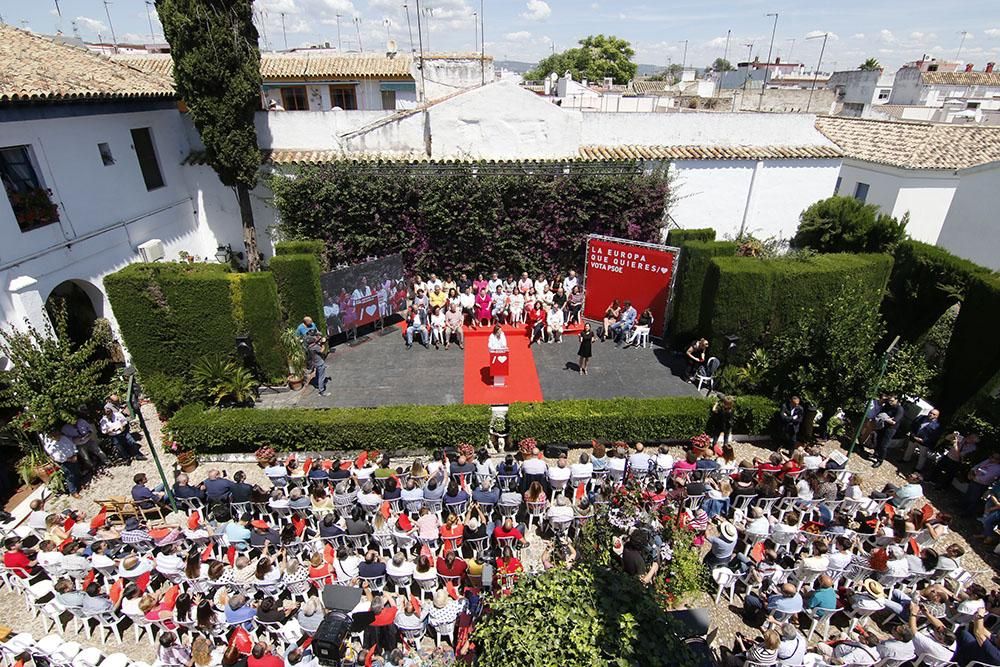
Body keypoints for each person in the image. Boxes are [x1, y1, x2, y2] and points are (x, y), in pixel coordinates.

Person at [41, 427, 83, 498]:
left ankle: (78, 485)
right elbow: (57, 457)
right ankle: (73, 492)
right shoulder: (51, 446)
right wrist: (69, 459)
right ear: (52, 436)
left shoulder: (64, 438)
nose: (58, 435)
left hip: (74, 457)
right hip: (66, 462)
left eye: (58, 434)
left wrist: (75, 454)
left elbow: (72, 445)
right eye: (56, 435)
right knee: (70, 477)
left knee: (76, 472)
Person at [873, 394, 904, 468]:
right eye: (889, 400)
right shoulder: (887, 405)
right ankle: (876, 453)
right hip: (883, 425)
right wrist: (887, 419)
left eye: (892, 401)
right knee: (878, 440)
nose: (890, 402)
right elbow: (880, 414)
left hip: (891, 429)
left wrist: (885, 418)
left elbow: (894, 421)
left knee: (884, 445)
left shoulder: (899, 409)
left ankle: (880, 460)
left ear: (897, 400)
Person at [305, 330, 328, 396]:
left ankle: (317, 384)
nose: (316, 337)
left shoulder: (309, 346)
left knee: (318, 374)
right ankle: (321, 391)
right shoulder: (315, 346)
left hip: (315, 363)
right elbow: (322, 350)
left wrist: (319, 341)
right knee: (322, 377)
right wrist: (323, 343)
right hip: (320, 363)